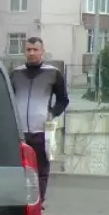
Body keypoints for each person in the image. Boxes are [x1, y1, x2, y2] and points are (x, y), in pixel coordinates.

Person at [9, 36, 68, 206]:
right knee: (20, 167)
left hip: (41, 130)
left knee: (41, 167)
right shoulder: (16, 73)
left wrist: (52, 113)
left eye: (35, 50)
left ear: (42, 51)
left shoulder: (53, 73)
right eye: (29, 50)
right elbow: (9, 98)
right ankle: (21, 198)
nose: (32, 53)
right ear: (24, 51)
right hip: (19, 131)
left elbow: (63, 99)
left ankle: (39, 200)